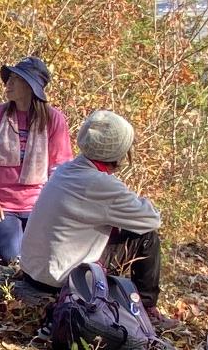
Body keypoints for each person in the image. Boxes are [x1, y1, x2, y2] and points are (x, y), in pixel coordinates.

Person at [19, 110, 175, 328]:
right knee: (147, 236)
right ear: (119, 152)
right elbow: (150, 220)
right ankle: (144, 307)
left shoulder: (65, 170)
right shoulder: (101, 184)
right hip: (60, 280)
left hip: (31, 271)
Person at [0, 56, 73, 265]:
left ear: (30, 86)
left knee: (42, 260)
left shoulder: (54, 119)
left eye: (15, 79)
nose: (8, 84)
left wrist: (53, 205)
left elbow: (59, 168)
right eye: (9, 79)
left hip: (40, 205)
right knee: (12, 257)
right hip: (3, 205)